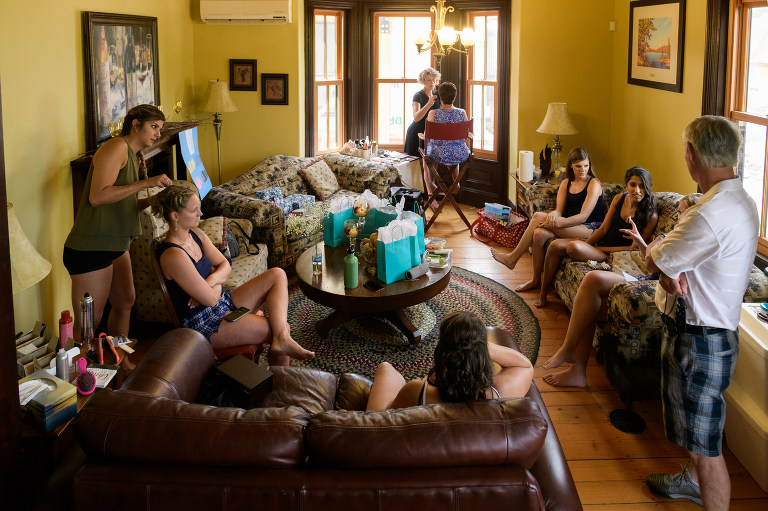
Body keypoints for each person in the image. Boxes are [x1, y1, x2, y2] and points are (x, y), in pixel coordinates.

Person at [642, 116, 758, 510]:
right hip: (707, 332)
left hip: (700, 343)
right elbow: (679, 264)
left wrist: (663, 260)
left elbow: (651, 259)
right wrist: (671, 270)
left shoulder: (708, 215)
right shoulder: (738, 200)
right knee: (695, 437)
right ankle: (690, 480)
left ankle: (702, 484)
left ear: (691, 154)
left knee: (709, 452)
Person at [542, 194, 700, 387]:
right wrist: (640, 241)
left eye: (683, 212)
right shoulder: (668, 235)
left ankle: (569, 348)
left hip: (649, 288)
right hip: (644, 278)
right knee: (590, 303)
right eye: (679, 211)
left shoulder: (692, 241)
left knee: (592, 279)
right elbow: (648, 261)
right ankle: (577, 371)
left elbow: (656, 267)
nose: (679, 216)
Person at [152, 185, 314, 365]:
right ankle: (278, 384)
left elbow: (225, 264)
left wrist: (212, 279)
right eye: (194, 210)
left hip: (223, 302)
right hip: (204, 323)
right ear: (175, 216)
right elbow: (210, 300)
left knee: (277, 274)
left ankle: (281, 341)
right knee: (277, 329)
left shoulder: (196, 234)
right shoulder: (173, 255)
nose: (200, 213)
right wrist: (216, 280)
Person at [64, 104, 173, 339]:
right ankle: (79, 373)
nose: (157, 134)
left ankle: (120, 361)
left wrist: (154, 200)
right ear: (135, 124)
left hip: (115, 243)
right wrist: (146, 183)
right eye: (153, 127)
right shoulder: (116, 148)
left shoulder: (131, 155)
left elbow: (123, 204)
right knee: (89, 322)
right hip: (91, 247)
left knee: (125, 301)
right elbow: (97, 196)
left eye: (160, 129)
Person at [536, 166, 659, 308]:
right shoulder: (619, 199)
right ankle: (543, 293)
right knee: (554, 246)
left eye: (642, 186)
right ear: (626, 185)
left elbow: (633, 248)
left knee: (573, 247)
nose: (637, 191)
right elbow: (604, 228)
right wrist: (589, 243)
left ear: (648, 188)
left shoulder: (651, 215)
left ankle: (595, 254)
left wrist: (597, 248)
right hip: (600, 244)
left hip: (616, 254)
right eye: (633, 185)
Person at [366, 311, 533, 410]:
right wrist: (481, 346)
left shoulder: (416, 392)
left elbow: (383, 421)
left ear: (441, 352)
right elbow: (524, 366)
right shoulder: (500, 394)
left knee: (386, 368)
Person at [492, 147, 604, 292]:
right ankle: (535, 280)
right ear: (570, 165)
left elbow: (583, 216)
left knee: (538, 216)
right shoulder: (566, 183)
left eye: (586, 166)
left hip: (590, 228)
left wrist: (558, 223)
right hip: (569, 226)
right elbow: (559, 210)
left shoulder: (593, 183)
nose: (583, 170)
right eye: (578, 166)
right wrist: (554, 216)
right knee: (539, 234)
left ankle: (513, 258)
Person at [422, 81, 471, 203]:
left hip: (438, 153)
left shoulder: (433, 113)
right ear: (454, 97)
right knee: (453, 149)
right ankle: (456, 183)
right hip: (460, 153)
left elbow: (426, 135)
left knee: (428, 156)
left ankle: (431, 187)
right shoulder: (462, 112)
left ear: (440, 97)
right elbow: (466, 135)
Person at [403, 67, 441, 158]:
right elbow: (416, 118)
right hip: (416, 134)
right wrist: (428, 104)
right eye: (428, 80)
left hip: (430, 136)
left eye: (434, 80)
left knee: (428, 165)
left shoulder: (438, 94)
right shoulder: (418, 95)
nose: (432, 82)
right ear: (423, 81)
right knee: (415, 165)